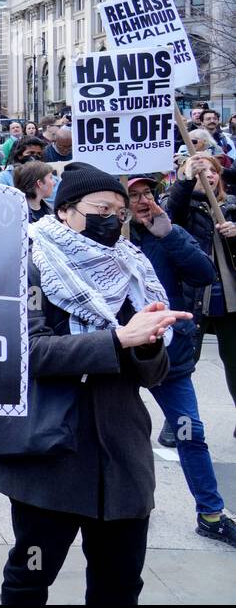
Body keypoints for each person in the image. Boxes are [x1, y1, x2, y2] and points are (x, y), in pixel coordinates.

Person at [0, 163, 191, 604]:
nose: (113, 219)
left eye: (120, 213)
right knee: (31, 575)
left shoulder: (133, 269)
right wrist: (120, 338)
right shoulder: (29, 265)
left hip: (121, 460)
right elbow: (30, 352)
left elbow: (152, 374)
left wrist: (149, 343)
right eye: (102, 208)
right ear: (65, 211)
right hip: (51, 458)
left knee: (119, 585)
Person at [125, 177, 236, 545]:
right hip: (117, 355)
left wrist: (169, 234)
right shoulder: (107, 237)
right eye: (134, 195)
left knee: (190, 432)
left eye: (148, 194)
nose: (143, 201)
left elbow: (204, 273)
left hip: (168, 355)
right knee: (116, 437)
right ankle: (121, 509)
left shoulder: (167, 232)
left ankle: (210, 513)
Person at [166, 152, 236, 425]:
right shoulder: (182, 203)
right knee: (184, 364)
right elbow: (174, 214)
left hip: (229, 298)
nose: (208, 175)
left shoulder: (230, 206)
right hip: (194, 296)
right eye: (200, 170)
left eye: (213, 171)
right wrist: (184, 179)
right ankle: (177, 423)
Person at [14, 159, 56, 224]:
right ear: (40, 183)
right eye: (50, 178)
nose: (54, 183)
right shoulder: (18, 215)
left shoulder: (51, 209)